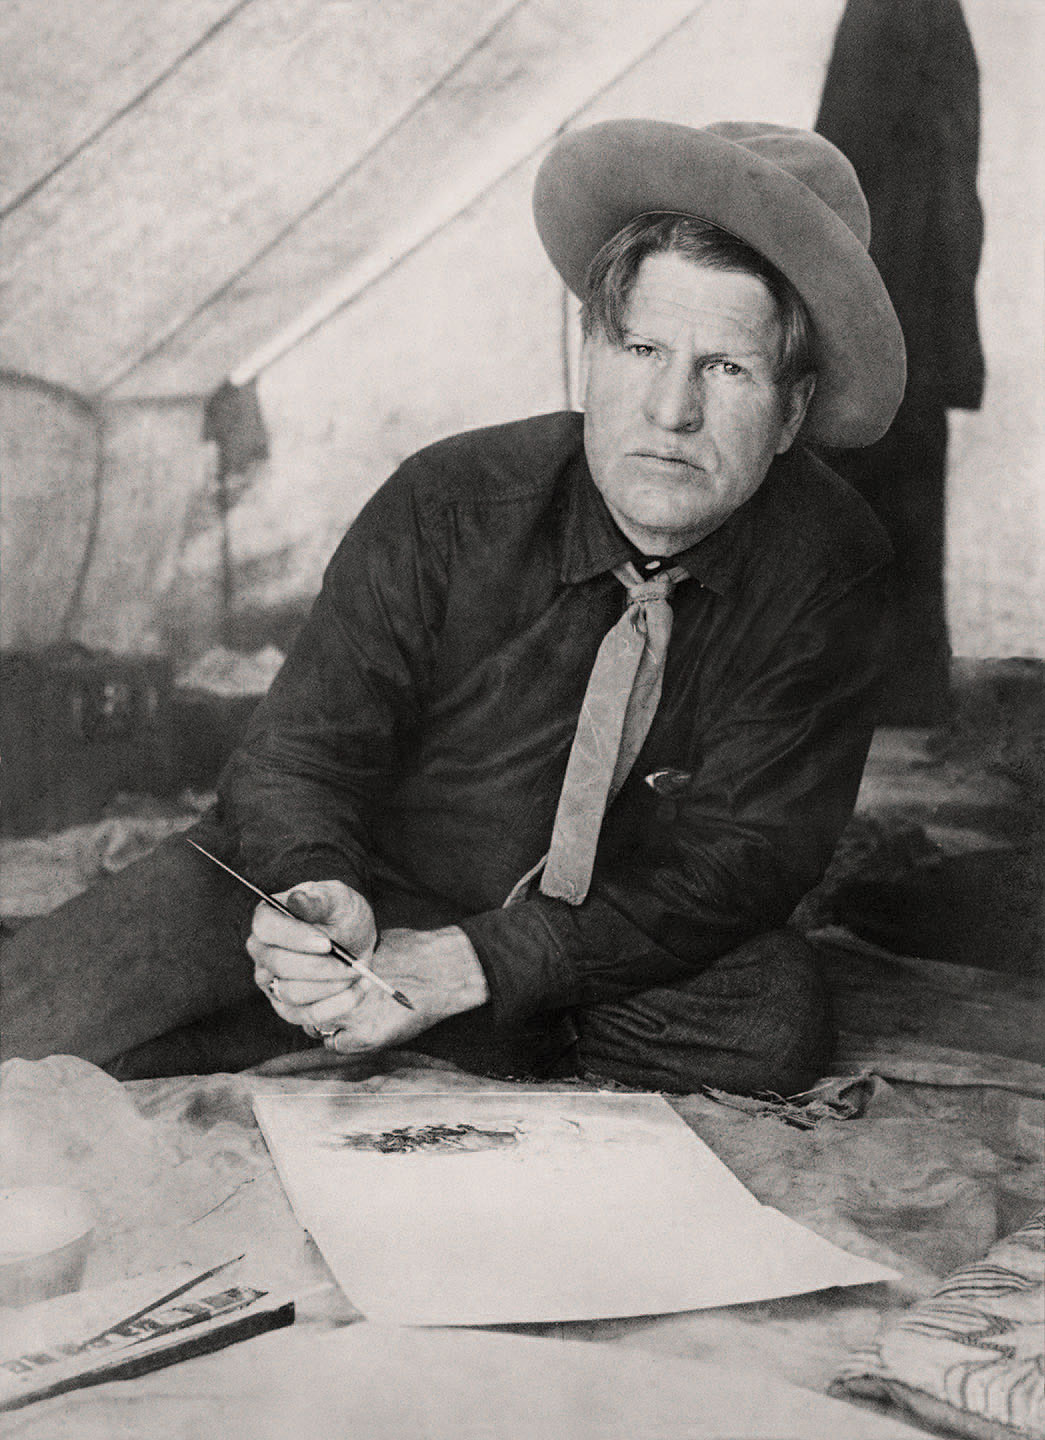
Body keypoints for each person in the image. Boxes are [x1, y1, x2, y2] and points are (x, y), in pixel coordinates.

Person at [1, 120, 905, 1095]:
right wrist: (317, 893)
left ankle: (442, 1018)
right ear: (590, 354)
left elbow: (746, 858)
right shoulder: (450, 501)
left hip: (598, 933)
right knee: (34, 1023)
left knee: (771, 1021)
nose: (670, 410)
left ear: (793, 411)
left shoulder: (831, 565)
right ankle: (394, 1015)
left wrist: (482, 962)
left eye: (725, 369)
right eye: (643, 348)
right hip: (365, 882)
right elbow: (299, 751)